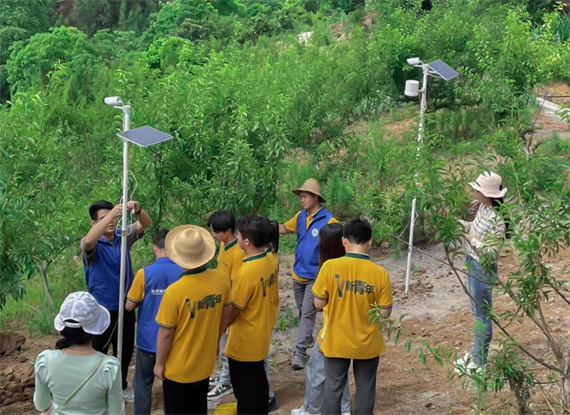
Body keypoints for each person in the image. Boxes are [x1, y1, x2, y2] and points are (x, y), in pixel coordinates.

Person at [313, 217, 393, 415]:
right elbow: (384, 312)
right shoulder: (380, 273)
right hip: (367, 343)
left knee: (333, 389)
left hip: (336, 340)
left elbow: (318, 303)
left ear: (344, 241)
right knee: (365, 391)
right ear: (370, 242)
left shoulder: (330, 267)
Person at [154, 225, 230, 415]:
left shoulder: (175, 292)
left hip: (178, 369)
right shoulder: (220, 279)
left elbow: (165, 334)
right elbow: (226, 313)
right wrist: (216, 340)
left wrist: (159, 363)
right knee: (198, 408)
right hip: (204, 363)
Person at [81, 199, 151, 401]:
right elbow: (87, 242)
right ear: (94, 223)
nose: (111, 222)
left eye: (112, 216)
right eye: (103, 219)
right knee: (99, 350)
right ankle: (97, 390)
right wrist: (112, 215)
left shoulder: (123, 236)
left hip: (126, 305)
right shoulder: (92, 242)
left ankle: (120, 386)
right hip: (101, 308)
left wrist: (138, 210)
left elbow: (145, 224)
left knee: (126, 348)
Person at [221, 214, 280, 414]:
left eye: (238, 234)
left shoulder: (246, 272)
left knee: (245, 394)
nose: (236, 237)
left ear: (247, 241)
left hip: (243, 342)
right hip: (261, 334)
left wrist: (219, 327)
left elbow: (234, 308)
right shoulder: (270, 258)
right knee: (259, 383)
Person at [291, 223, 351, 415]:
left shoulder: (328, 268)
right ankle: (344, 409)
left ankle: (311, 410)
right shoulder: (352, 266)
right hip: (350, 330)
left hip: (331, 332)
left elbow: (318, 304)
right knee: (338, 374)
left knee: (316, 370)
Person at [279, 178, 338, 370]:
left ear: (315, 197)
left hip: (316, 276)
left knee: (307, 313)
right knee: (303, 311)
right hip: (298, 274)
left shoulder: (330, 221)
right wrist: (262, 229)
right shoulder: (300, 217)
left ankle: (299, 353)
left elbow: (335, 250)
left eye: (304, 197)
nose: (301, 200)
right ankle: (307, 338)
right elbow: (283, 229)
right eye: (301, 197)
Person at [34, 292, 124, 415]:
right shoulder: (109, 367)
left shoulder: (45, 361)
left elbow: (41, 404)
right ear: (96, 328)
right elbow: (116, 412)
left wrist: (56, 405)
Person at [125, 230, 182, 415]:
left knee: (142, 382)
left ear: (154, 248)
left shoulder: (144, 273)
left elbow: (129, 306)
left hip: (148, 340)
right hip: (176, 340)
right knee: (172, 385)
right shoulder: (184, 272)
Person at [455, 172, 507, 371]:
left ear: (489, 194)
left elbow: (491, 252)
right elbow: (474, 228)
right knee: (477, 313)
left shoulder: (497, 220)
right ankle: (476, 355)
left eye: (479, 190)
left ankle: (478, 362)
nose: (475, 192)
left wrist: (469, 239)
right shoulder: (483, 209)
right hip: (473, 262)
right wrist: (459, 225)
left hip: (482, 268)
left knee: (482, 316)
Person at [207, 210, 245, 401]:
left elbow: (237, 286)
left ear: (228, 231)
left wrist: (230, 316)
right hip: (220, 302)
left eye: (216, 232)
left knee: (226, 347)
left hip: (229, 306)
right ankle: (224, 375)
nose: (214, 236)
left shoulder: (238, 253)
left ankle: (226, 382)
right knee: (222, 344)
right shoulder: (224, 246)